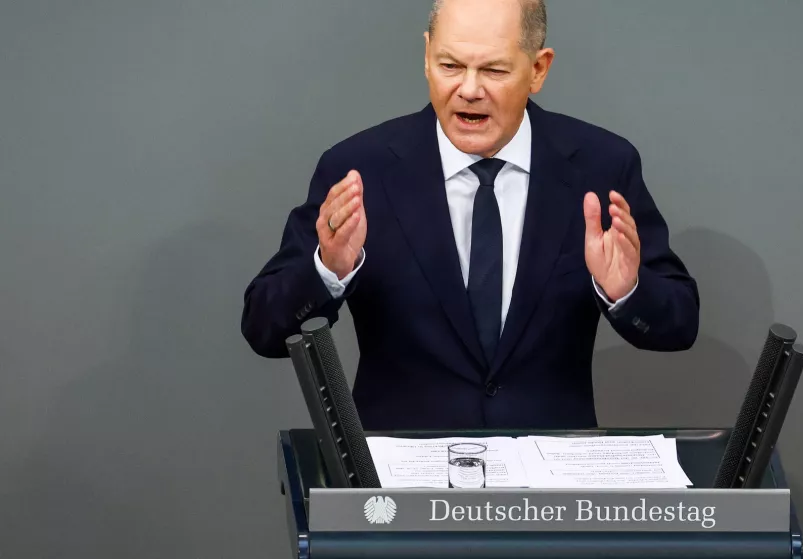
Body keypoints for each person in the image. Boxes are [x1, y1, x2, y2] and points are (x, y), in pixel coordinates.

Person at [241, 0, 699, 430]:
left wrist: (625, 291)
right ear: (426, 56)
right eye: (450, 66)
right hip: (401, 493)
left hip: (548, 493)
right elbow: (264, 328)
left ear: (538, 69)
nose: (469, 89)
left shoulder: (601, 166)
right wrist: (328, 271)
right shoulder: (360, 171)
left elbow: (678, 324)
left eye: (494, 70)